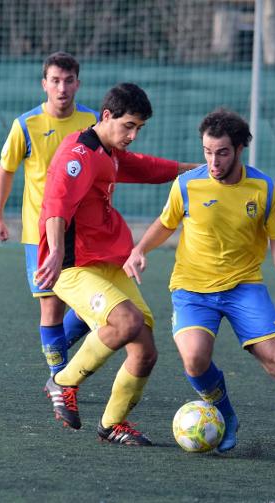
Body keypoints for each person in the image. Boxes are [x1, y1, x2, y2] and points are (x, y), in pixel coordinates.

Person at [124, 108, 275, 464]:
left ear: (240, 149)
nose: (213, 161)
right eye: (207, 151)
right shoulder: (187, 184)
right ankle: (226, 415)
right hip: (192, 289)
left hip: (244, 287)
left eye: (222, 152)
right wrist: (140, 249)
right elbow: (165, 222)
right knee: (194, 359)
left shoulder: (264, 187)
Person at [36, 82, 194, 445]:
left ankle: (111, 424)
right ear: (106, 116)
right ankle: (63, 381)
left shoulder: (109, 150)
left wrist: (197, 170)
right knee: (127, 321)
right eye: (129, 126)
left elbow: (146, 167)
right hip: (73, 267)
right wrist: (57, 252)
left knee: (145, 351)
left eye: (139, 128)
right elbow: (57, 206)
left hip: (105, 262)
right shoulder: (79, 153)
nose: (134, 135)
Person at [0, 52, 96, 377]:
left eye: (68, 80)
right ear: (44, 84)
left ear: (77, 83)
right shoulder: (26, 124)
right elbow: (6, 170)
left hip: (85, 232)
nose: (62, 87)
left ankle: (57, 360)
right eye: (55, 80)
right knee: (51, 307)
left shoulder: (92, 123)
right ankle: (60, 378)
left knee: (96, 308)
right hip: (40, 234)